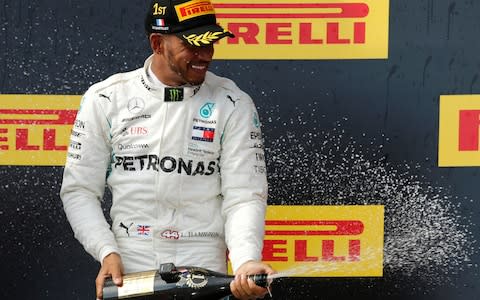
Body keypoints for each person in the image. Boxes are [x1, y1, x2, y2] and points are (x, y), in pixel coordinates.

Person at [60, 0, 274, 299]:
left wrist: (244, 260)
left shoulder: (233, 103)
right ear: (157, 43)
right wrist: (106, 251)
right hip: (129, 264)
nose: (205, 55)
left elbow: (244, 196)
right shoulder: (106, 98)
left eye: (210, 44)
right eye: (193, 45)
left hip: (202, 263)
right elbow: (79, 190)